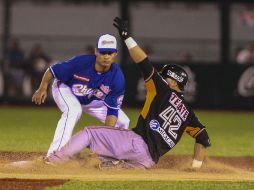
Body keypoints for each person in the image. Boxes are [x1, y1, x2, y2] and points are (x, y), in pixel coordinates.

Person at [45, 17, 211, 169]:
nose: (161, 77)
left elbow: (144, 63)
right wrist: (195, 168)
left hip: (135, 143)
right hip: (147, 162)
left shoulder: (162, 89)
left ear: (173, 81)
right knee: (104, 168)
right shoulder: (189, 114)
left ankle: (53, 161)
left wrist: (126, 36)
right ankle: (109, 163)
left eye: (164, 76)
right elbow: (203, 138)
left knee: (88, 133)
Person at [32, 34, 130, 158]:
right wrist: (42, 87)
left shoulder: (117, 78)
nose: (106, 56)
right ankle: (53, 155)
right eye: (102, 52)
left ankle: (108, 157)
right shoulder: (81, 62)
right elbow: (53, 70)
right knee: (74, 110)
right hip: (65, 89)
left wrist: (104, 139)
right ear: (96, 52)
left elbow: (112, 111)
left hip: (93, 101)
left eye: (109, 53)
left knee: (123, 122)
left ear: (115, 54)